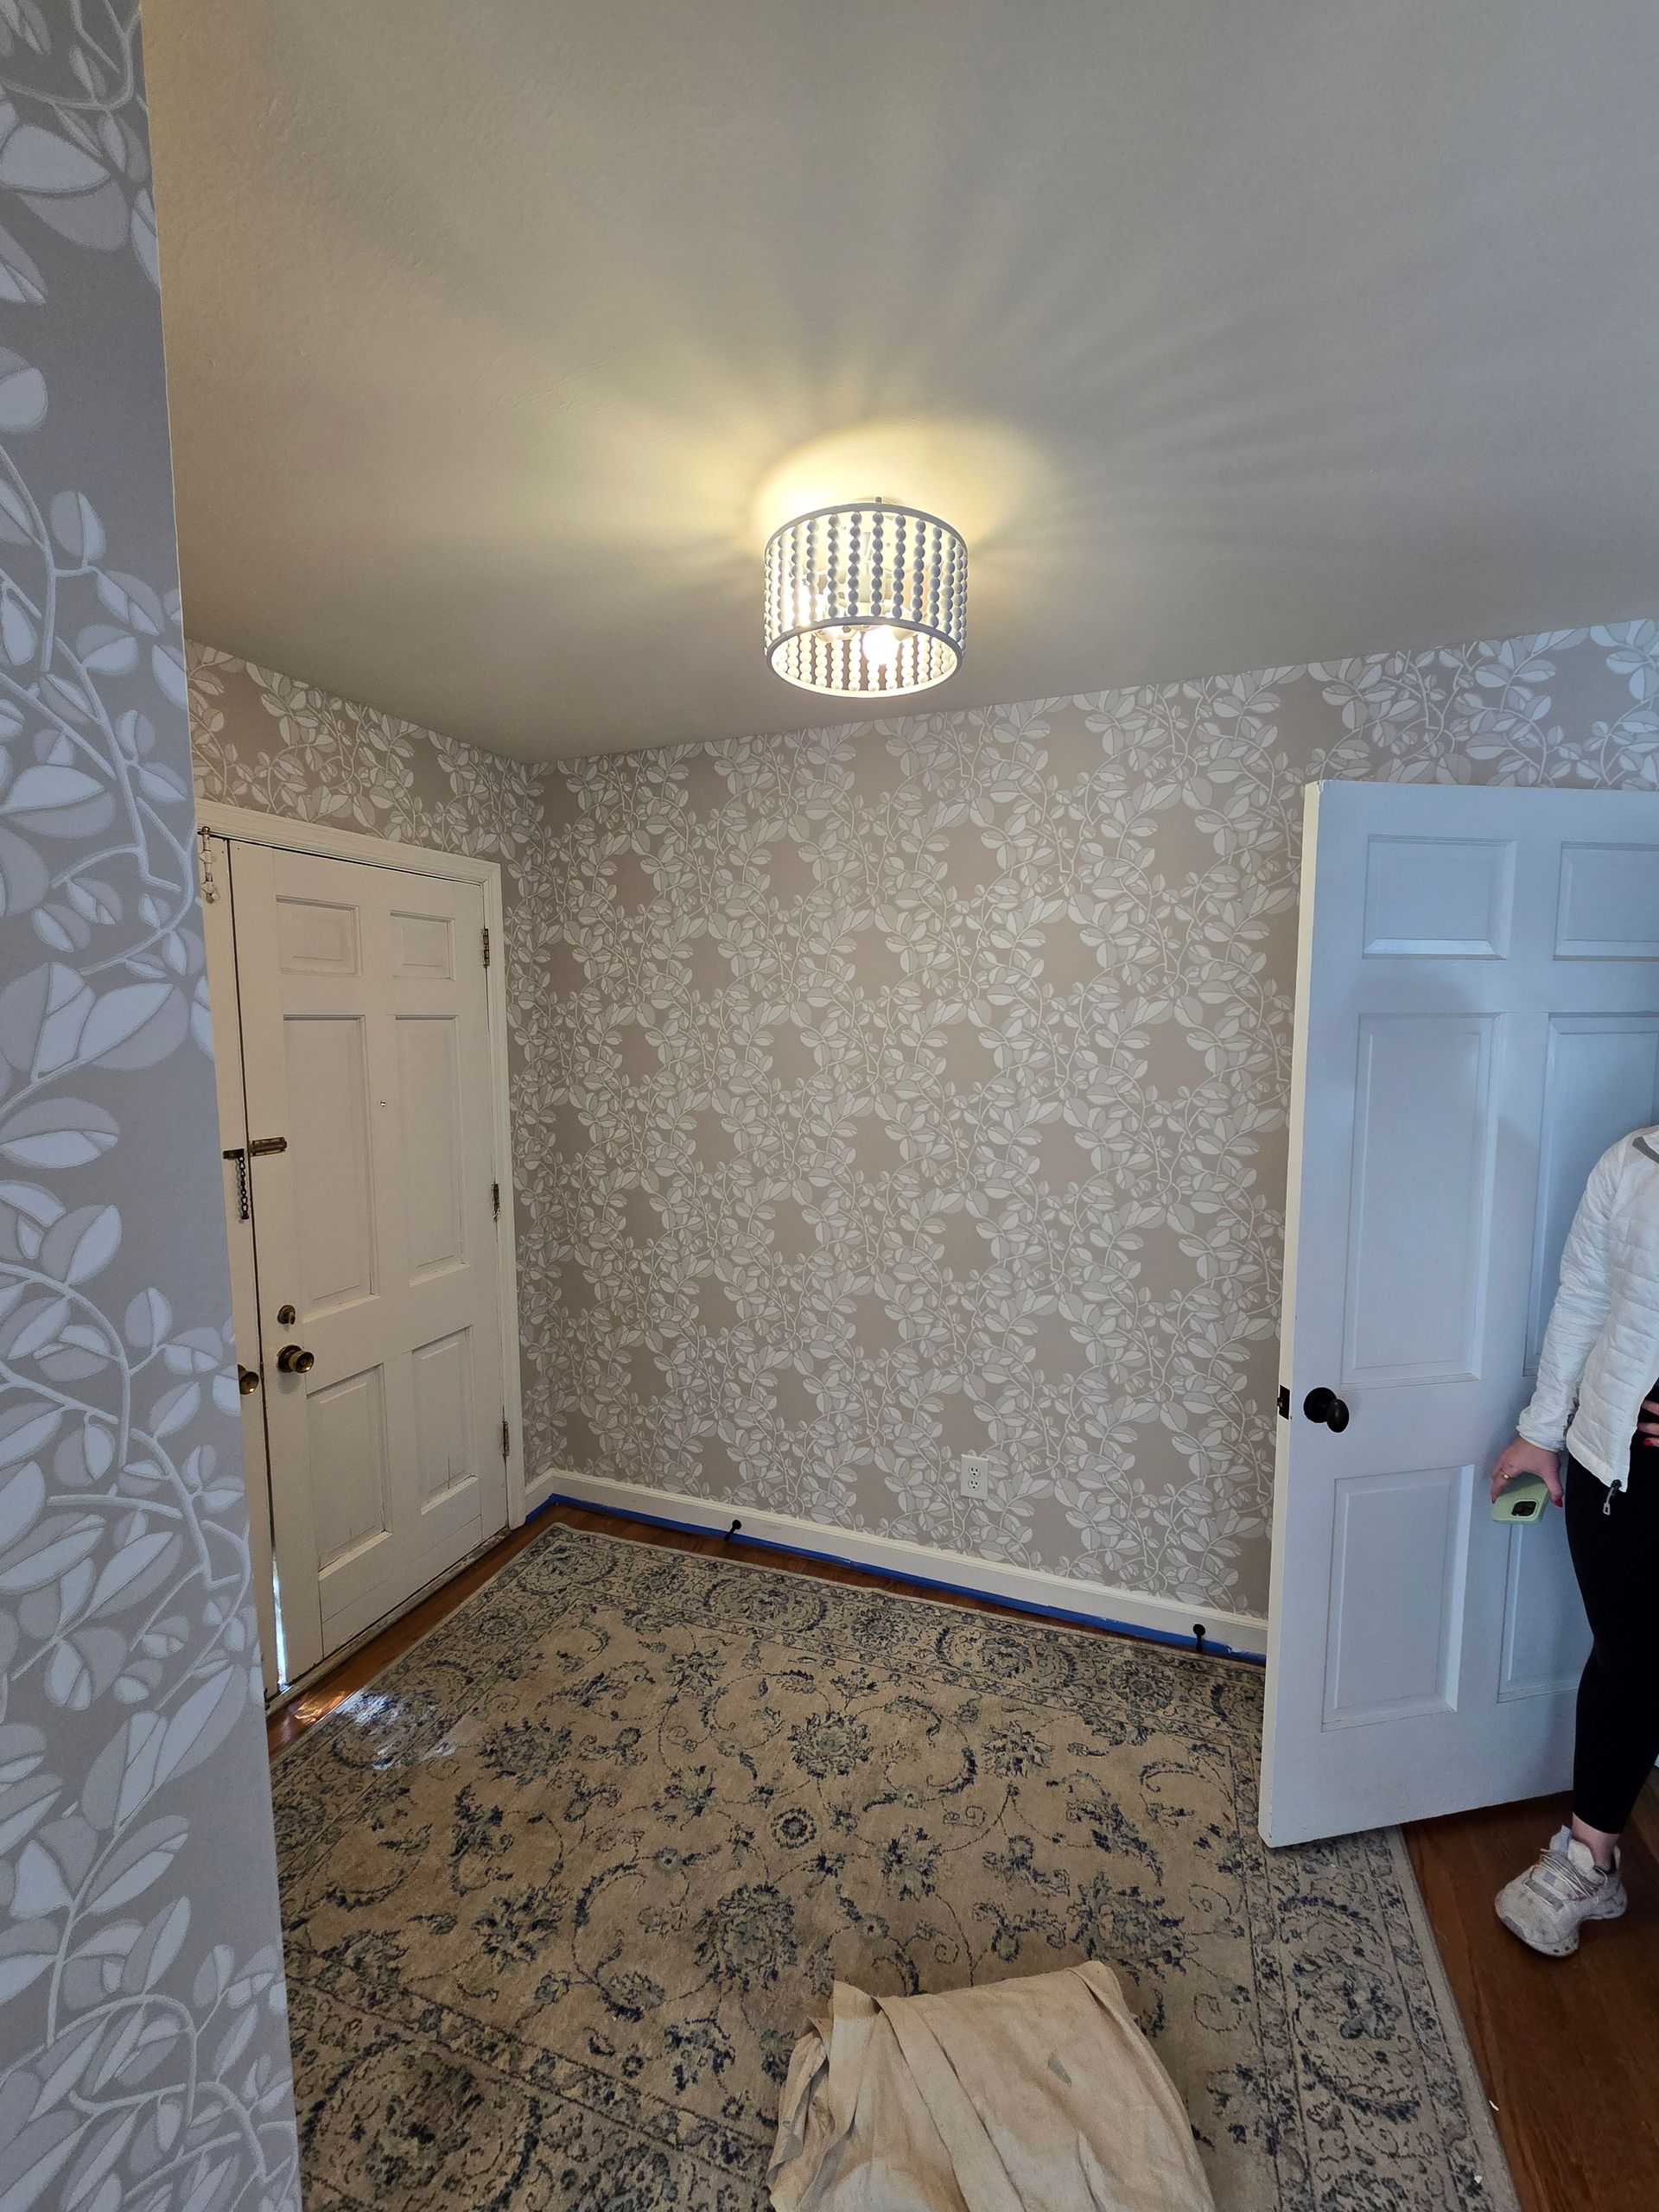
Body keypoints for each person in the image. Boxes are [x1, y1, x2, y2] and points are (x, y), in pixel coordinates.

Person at [1488, 1124, 1659, 1957]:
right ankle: (1592, 1861)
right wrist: (1538, 1434)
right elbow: (1584, 1298)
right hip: (1615, 1466)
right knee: (1628, 1657)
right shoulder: (1633, 1164)